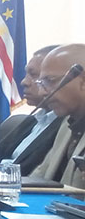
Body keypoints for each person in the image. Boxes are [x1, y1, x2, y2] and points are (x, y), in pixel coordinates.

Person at [0, 45, 64, 172]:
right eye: (26, 74)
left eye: (34, 75)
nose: (24, 82)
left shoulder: (67, 128)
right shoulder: (31, 122)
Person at [30, 45, 85, 186]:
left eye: (50, 81)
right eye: (41, 83)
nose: (42, 92)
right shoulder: (67, 123)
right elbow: (39, 176)